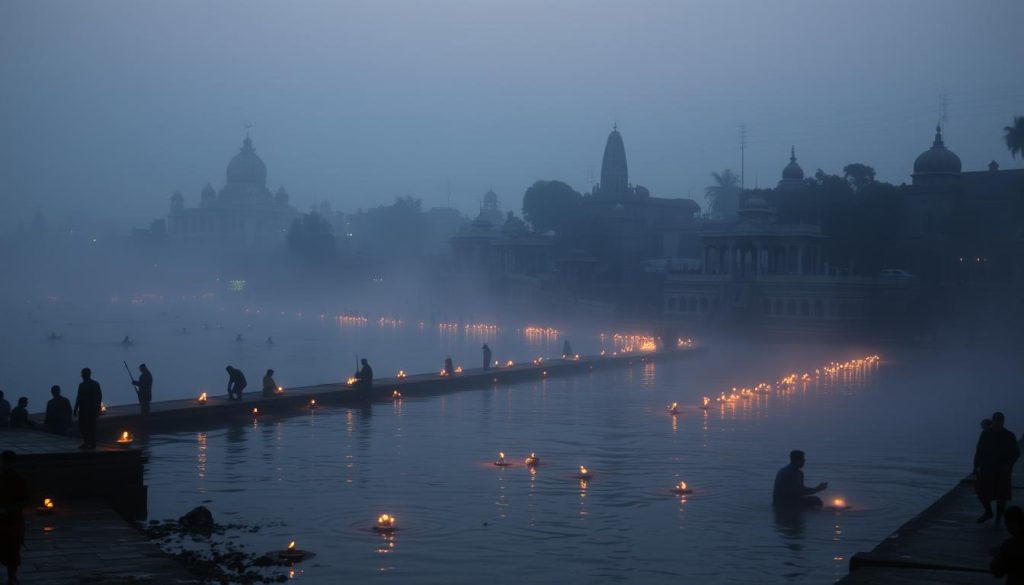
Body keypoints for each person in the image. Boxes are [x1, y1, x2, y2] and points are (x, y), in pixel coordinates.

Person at [975, 411, 1021, 525]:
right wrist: (976, 466)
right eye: (996, 421)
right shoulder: (986, 434)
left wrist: (1008, 464)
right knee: (981, 491)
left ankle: (998, 518)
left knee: (1002, 495)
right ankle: (989, 512)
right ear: (993, 421)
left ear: (1002, 421)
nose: (997, 423)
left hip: (1002, 469)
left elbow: (1016, 452)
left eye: (999, 421)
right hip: (987, 468)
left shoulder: (1009, 435)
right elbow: (979, 451)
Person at [0, 451, 29, 585]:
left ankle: (12, 577)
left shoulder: (18, 479)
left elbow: (24, 500)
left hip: (12, 519)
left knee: (12, 550)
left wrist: (8, 509)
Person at [992, 505, 1024, 584]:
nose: (1005, 524)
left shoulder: (1010, 545)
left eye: (1007, 522)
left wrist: (998, 555)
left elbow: (997, 571)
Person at [74, 367, 103, 449]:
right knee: (87, 427)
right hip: (88, 410)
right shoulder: (94, 384)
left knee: (87, 427)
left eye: (82, 374)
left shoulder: (83, 385)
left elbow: (79, 397)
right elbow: (99, 397)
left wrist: (76, 408)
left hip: (87, 410)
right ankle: (88, 442)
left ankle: (90, 443)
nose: (81, 375)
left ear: (84, 375)